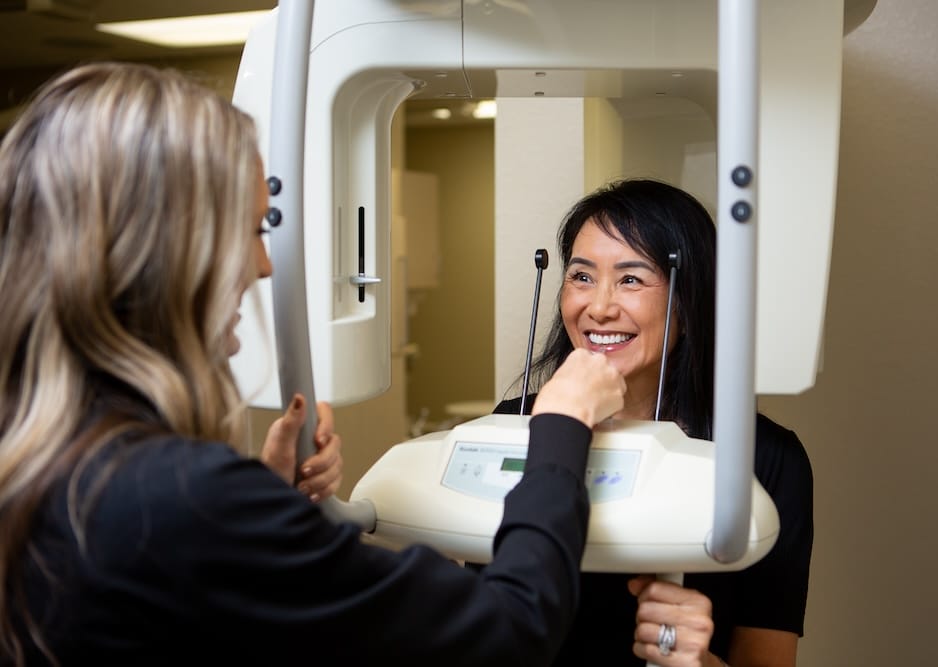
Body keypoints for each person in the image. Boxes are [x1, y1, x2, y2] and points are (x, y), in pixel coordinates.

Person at [0, 62, 628, 666]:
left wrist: (264, 512)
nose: (264, 266)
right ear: (168, 255)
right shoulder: (179, 497)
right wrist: (561, 426)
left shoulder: (50, 459)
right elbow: (509, 632)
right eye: (249, 232)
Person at [492, 178, 814, 667]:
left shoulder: (768, 460)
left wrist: (696, 661)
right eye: (581, 277)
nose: (598, 307)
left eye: (630, 279)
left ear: (689, 298)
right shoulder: (514, 426)